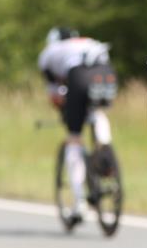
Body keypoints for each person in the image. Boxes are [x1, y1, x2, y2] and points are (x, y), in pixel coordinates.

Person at [38, 27, 115, 225]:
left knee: (74, 137)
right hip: (106, 72)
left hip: (79, 76)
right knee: (97, 112)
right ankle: (104, 149)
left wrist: (67, 113)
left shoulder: (49, 53)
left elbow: (55, 93)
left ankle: (79, 202)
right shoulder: (88, 41)